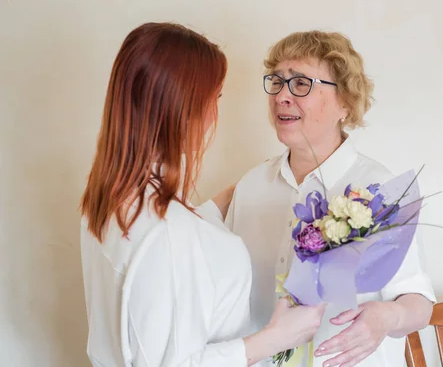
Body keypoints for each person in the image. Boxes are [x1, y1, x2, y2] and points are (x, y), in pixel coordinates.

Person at [79, 22, 326, 367]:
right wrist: (276, 338)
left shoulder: (107, 200)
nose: (214, 114)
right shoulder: (170, 232)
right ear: (183, 108)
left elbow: (157, 268)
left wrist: (233, 195)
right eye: (216, 99)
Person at [202, 31, 436, 366]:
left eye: (300, 84)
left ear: (345, 102)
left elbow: (419, 302)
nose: (282, 95)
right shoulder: (250, 185)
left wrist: (387, 317)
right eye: (277, 82)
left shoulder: (380, 188)